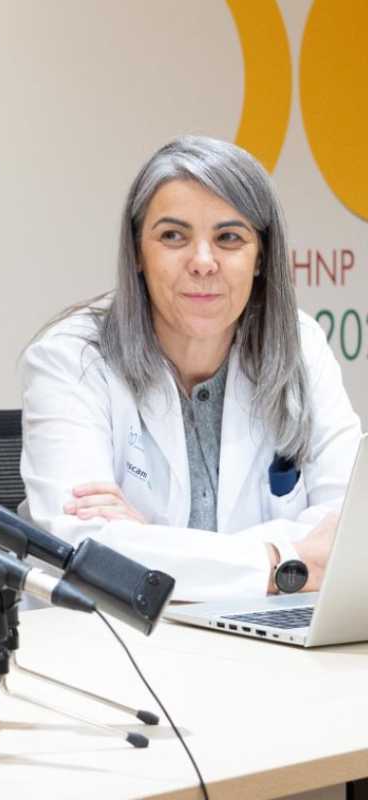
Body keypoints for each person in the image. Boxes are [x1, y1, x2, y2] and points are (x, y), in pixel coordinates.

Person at [20, 135, 362, 602]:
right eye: (173, 236)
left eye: (229, 238)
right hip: (105, 643)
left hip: (261, 642)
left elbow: (350, 533)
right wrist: (284, 563)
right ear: (138, 253)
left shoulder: (300, 346)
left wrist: (151, 542)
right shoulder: (72, 357)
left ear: (260, 257)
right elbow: (88, 551)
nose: (203, 262)